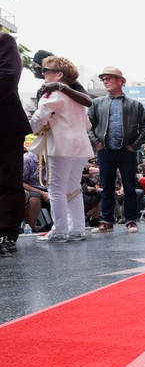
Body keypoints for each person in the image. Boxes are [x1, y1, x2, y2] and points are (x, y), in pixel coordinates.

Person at [28, 56, 94, 242]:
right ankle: (77, 229)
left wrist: (31, 127)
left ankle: (60, 230)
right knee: (74, 188)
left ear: (59, 74)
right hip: (80, 146)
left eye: (46, 71)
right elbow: (88, 125)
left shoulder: (51, 94)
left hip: (61, 145)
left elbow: (38, 120)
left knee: (55, 188)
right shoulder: (76, 97)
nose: (43, 74)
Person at [88, 66, 145, 234]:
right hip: (105, 151)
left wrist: (133, 146)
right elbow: (88, 126)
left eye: (109, 78)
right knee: (107, 187)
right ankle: (106, 221)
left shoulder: (135, 104)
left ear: (120, 81)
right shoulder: (97, 103)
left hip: (126, 151)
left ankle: (131, 221)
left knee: (130, 187)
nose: (105, 81)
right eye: (103, 79)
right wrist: (97, 143)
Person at [0, 32, 32, 257]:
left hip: (6, 126)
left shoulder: (4, 40)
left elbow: (8, 76)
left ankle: (7, 234)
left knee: (7, 179)